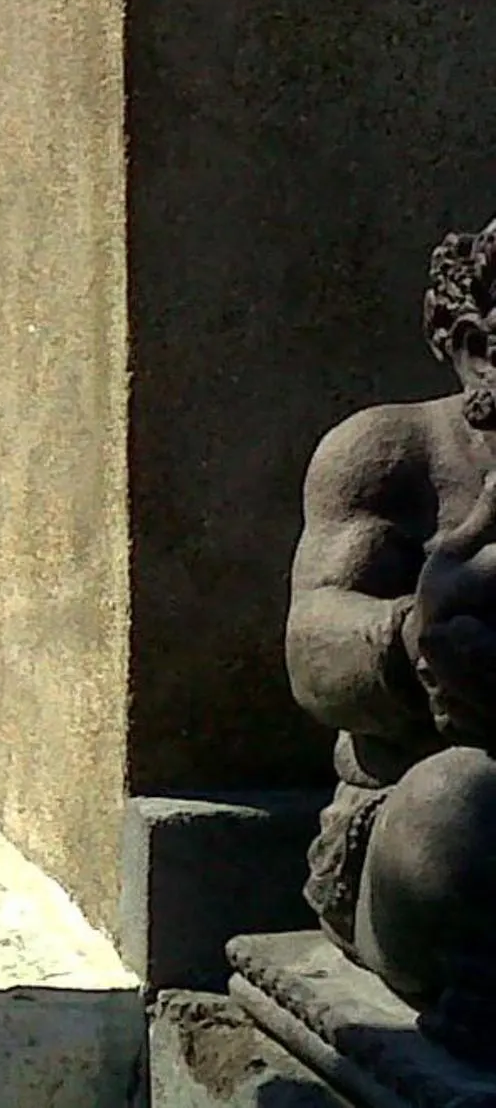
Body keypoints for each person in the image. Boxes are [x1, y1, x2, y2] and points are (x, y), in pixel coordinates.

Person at [288, 217, 496, 1056]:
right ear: (480, 350)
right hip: (424, 806)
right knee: (460, 807)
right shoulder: (394, 452)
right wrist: (415, 640)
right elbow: (313, 645)